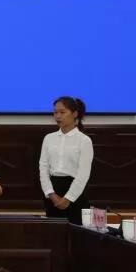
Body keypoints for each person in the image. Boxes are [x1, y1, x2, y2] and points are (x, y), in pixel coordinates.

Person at [39, 96, 92, 225]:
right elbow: (43, 168)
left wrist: (68, 198)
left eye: (62, 112)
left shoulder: (84, 140)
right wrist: (51, 194)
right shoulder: (49, 138)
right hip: (53, 193)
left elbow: (83, 175)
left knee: (76, 233)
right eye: (55, 112)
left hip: (75, 193)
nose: (58, 116)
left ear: (75, 114)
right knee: (54, 233)